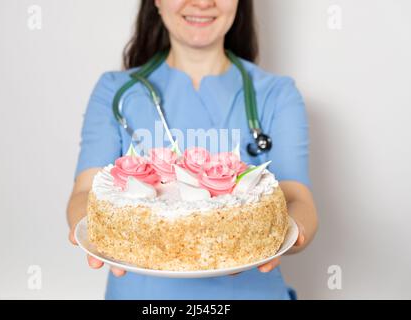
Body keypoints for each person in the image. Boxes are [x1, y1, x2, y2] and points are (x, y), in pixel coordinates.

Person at [67, 0, 318, 299]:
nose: (201, 2)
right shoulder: (115, 91)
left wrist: (284, 235)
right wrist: (103, 236)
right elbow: (85, 193)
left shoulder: (277, 94)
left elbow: (297, 198)